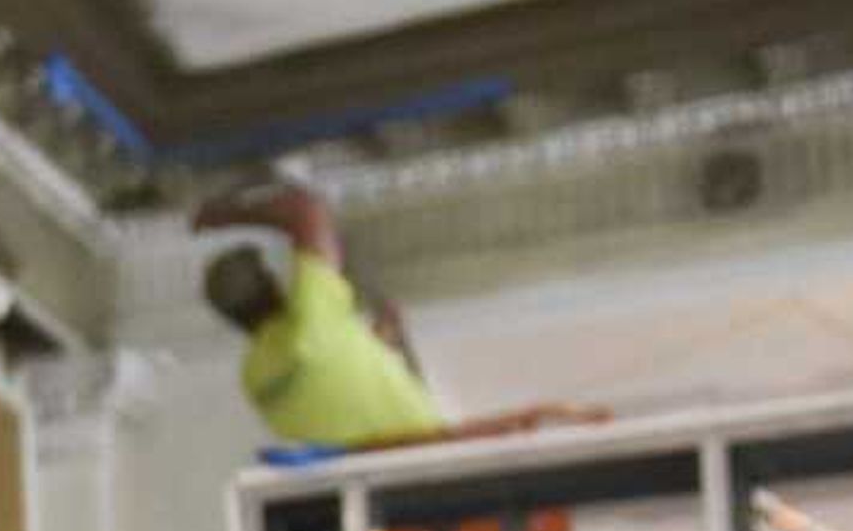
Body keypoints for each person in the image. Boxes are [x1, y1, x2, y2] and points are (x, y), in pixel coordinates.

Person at [194, 177, 599, 450]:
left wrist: (380, 342)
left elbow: (330, 381)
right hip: (427, 455)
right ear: (272, 287)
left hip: (405, 469)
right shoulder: (309, 323)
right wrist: (224, 214)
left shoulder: (258, 376)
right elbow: (307, 211)